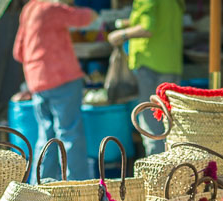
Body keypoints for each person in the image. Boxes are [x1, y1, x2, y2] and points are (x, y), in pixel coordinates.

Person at [13, 0, 97, 180]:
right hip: (62, 79)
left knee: (46, 136)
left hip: (37, 82)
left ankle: (39, 187)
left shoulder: (29, 9)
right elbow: (85, 17)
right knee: (70, 133)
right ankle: (77, 187)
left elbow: (18, 52)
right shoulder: (52, 8)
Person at [108, 0, 185, 156]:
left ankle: (156, 173)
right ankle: (170, 170)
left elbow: (147, 28)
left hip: (151, 65)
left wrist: (121, 35)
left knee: (152, 127)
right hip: (171, 63)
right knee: (169, 125)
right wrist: (127, 23)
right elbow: (155, 19)